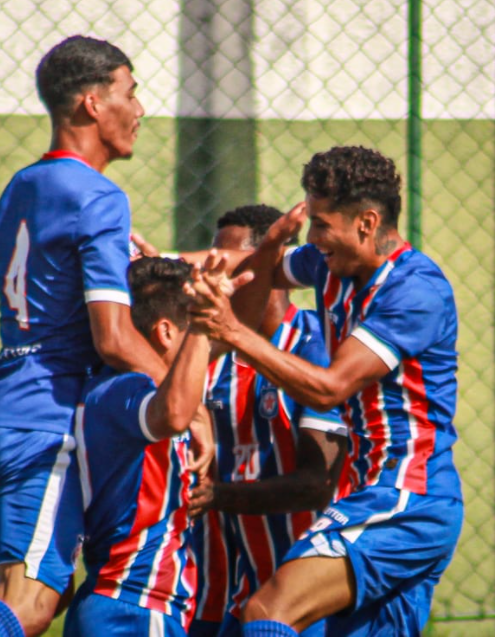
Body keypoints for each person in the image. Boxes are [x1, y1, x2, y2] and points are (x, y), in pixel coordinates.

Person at [0, 36, 209, 637]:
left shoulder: (22, 186)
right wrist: (187, 404)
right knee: (30, 601)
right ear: (93, 104)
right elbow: (114, 338)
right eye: (131, 92)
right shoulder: (100, 196)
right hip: (47, 414)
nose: (140, 109)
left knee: (48, 584)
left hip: (2, 406)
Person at [189, 146, 463, 636]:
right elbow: (249, 265)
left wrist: (230, 332)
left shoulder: (414, 290)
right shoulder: (329, 266)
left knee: (268, 611)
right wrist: (141, 264)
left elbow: (329, 388)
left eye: (321, 224)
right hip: (381, 496)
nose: (312, 239)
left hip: (404, 498)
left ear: (366, 222)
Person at [187, 205, 349, 637]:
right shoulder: (211, 358)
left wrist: (218, 495)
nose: (216, 276)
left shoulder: (318, 347)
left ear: (269, 267)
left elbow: (319, 484)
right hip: (228, 589)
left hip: (305, 595)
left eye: (232, 263)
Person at [63, 256, 213, 636]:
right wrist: (200, 325)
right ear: (166, 332)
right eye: (197, 333)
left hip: (115, 603)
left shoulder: (108, 386)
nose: (207, 347)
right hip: (135, 606)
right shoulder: (128, 391)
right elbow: (174, 413)